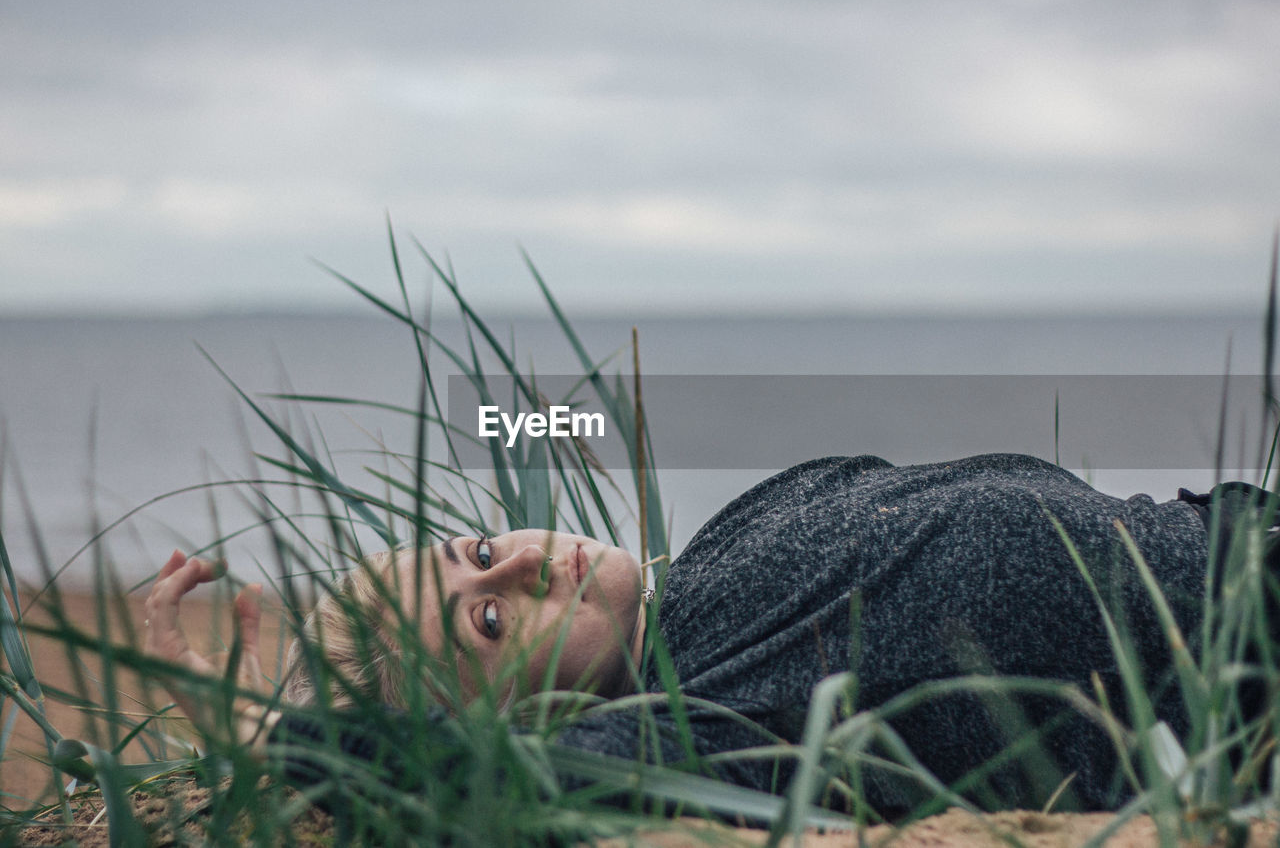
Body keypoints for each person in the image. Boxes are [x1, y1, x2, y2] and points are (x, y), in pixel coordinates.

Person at [143, 453, 1278, 817]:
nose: (534, 559)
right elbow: (440, 784)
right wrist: (275, 734)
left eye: (478, 549)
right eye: (490, 620)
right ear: (513, 725)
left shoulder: (732, 538)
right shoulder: (689, 733)